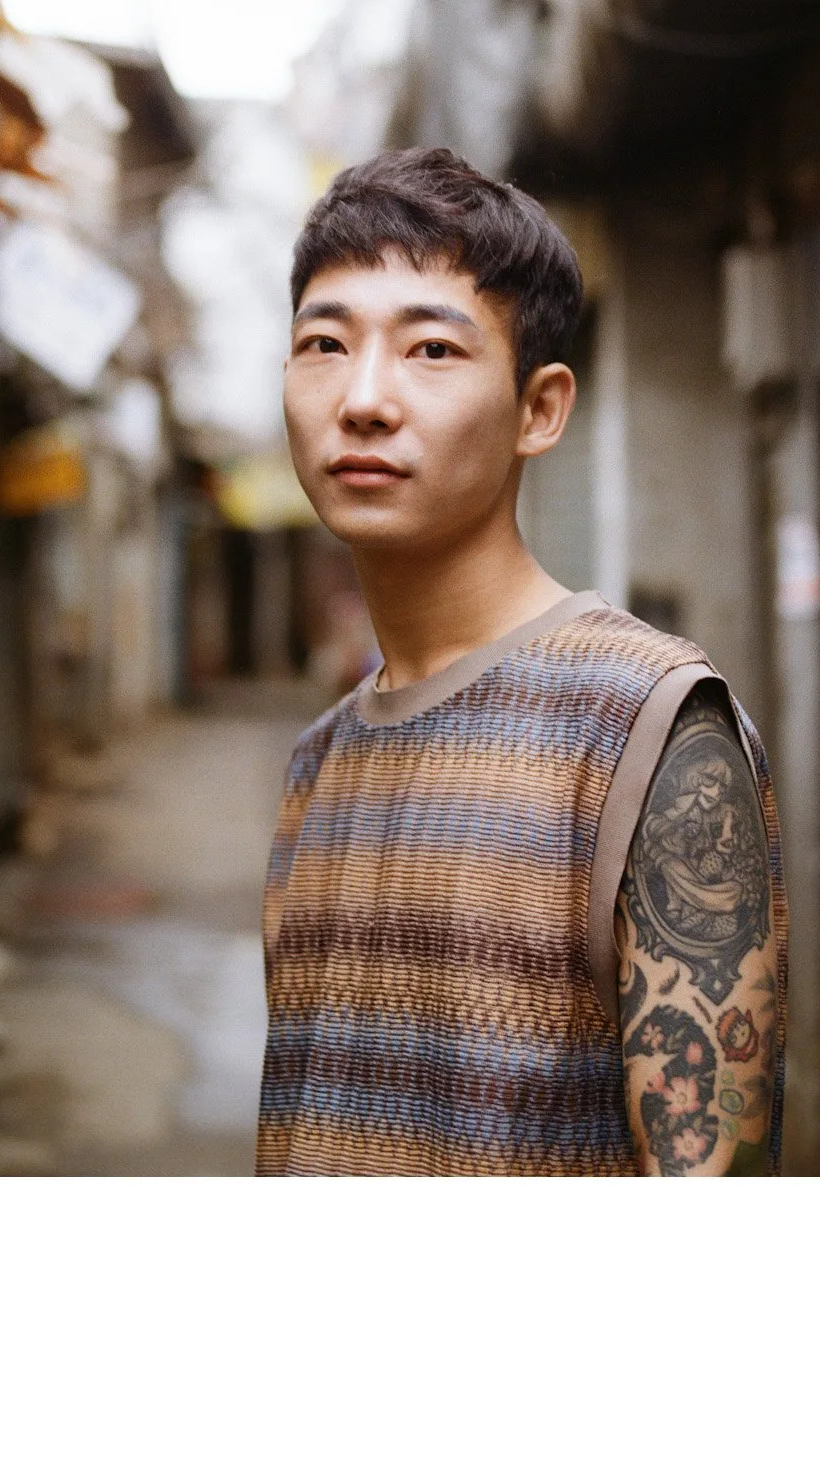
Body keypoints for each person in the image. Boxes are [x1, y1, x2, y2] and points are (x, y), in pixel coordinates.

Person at [256, 146, 787, 1176]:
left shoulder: (651, 726)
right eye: (323, 342)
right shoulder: (315, 763)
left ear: (539, 409)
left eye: (431, 352)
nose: (362, 397)